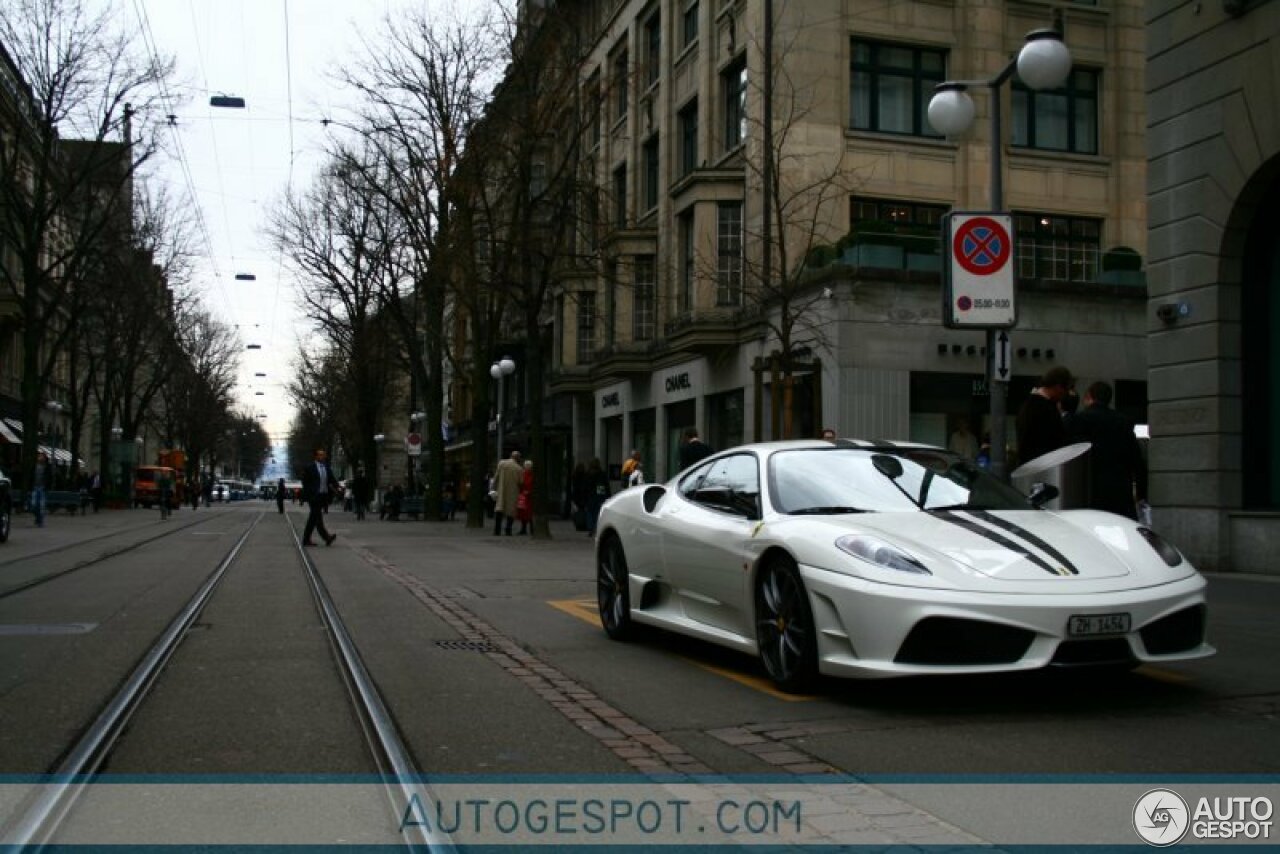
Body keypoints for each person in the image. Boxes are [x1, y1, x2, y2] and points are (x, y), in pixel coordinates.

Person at [1068, 380, 1148, 520]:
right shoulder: (1123, 421)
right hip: (1120, 489)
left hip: (1092, 490)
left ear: (1089, 396)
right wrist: (1141, 492)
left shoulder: (1081, 419)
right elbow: (1136, 458)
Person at [1016, 365, 1074, 466]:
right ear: (1058, 387)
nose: (1065, 395)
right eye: (1065, 389)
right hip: (1043, 465)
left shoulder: (1029, 404)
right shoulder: (1044, 407)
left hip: (1031, 464)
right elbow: (1055, 438)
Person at [301, 448, 339, 546]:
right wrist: (308, 495)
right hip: (314, 496)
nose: (322, 456)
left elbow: (332, 479)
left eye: (323, 455)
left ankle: (310, 539)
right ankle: (324, 538)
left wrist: (338, 487)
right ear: (316, 456)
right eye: (320, 455)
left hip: (323, 496)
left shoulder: (326, 467)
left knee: (315, 518)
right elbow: (305, 482)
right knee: (315, 517)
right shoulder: (310, 468)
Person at [492, 450, 523, 536]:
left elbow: (496, 477)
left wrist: (493, 488)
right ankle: (508, 530)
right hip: (513, 492)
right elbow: (521, 482)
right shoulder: (519, 468)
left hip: (501, 490)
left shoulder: (502, 463)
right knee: (511, 511)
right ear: (518, 458)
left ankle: (496, 530)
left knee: (499, 509)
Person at [585, 457, 610, 537]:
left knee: (590, 512)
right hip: (599, 495)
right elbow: (605, 485)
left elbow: (585, 486)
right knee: (597, 513)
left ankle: (590, 528)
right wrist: (607, 495)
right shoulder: (602, 474)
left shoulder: (588, 474)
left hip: (590, 495)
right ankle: (596, 528)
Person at [516, 459, 534, 535]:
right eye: (526, 466)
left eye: (528, 466)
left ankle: (531, 529)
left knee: (529, 514)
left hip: (529, 497)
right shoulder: (524, 474)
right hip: (524, 496)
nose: (527, 467)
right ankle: (524, 529)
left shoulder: (531, 475)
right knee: (524, 513)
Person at [31, 450, 48, 528]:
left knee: (41, 506)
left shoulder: (46, 467)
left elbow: (49, 478)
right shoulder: (34, 466)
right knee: (34, 505)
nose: (40, 457)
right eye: (39, 456)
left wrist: (46, 486)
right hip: (35, 487)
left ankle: (40, 521)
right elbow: (31, 476)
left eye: (42, 456)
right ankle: (37, 518)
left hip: (42, 488)